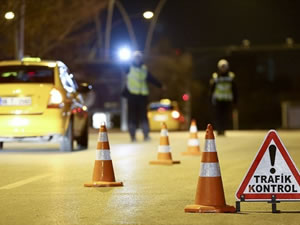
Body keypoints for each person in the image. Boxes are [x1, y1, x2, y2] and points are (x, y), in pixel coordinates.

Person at [122, 51, 163, 142]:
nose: (137, 59)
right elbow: (121, 65)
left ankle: (146, 134)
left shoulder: (144, 69)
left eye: (139, 57)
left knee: (143, 116)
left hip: (142, 96)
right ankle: (132, 135)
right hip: (132, 95)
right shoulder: (128, 67)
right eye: (136, 57)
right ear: (133, 58)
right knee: (132, 116)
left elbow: (151, 79)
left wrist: (160, 85)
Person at [209, 59, 237, 136]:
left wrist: (235, 100)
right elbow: (212, 89)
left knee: (225, 116)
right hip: (218, 100)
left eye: (224, 67)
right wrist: (210, 99)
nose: (223, 69)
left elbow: (234, 89)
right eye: (222, 67)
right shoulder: (216, 76)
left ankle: (223, 129)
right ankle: (219, 129)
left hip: (227, 100)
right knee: (218, 116)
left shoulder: (231, 76)